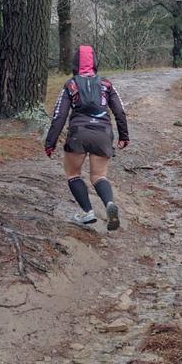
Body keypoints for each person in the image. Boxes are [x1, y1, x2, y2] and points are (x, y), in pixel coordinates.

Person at [44, 45, 130, 229]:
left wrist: (50, 142)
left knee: (73, 173)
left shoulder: (71, 85)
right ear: (95, 62)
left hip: (78, 134)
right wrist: (124, 136)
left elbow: (59, 115)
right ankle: (109, 204)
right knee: (98, 176)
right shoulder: (106, 85)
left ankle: (87, 212)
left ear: (75, 63)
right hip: (103, 134)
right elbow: (120, 112)